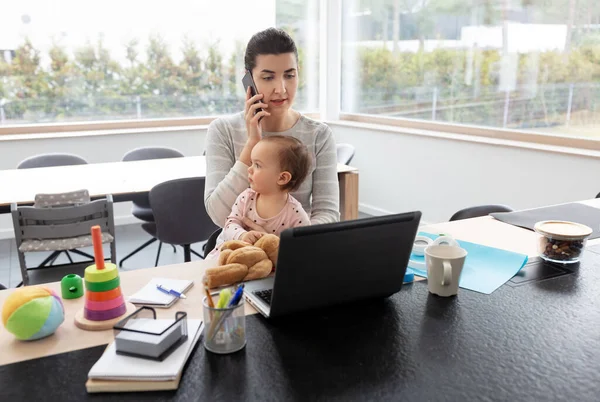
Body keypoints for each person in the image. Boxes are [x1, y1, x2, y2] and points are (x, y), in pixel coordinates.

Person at [204, 27, 339, 234]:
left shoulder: (319, 135)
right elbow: (218, 215)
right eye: (268, 78)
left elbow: (328, 214)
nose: (281, 89)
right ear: (248, 80)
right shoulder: (222, 131)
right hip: (242, 251)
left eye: (289, 75)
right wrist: (252, 144)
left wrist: (284, 241)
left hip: (297, 252)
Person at [206, 135, 311, 259]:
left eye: (257, 165)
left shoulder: (296, 214)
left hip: (265, 268)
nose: (249, 169)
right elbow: (229, 224)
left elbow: (303, 249)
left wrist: (272, 245)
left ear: (282, 178)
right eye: (251, 163)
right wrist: (242, 235)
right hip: (228, 257)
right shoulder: (245, 198)